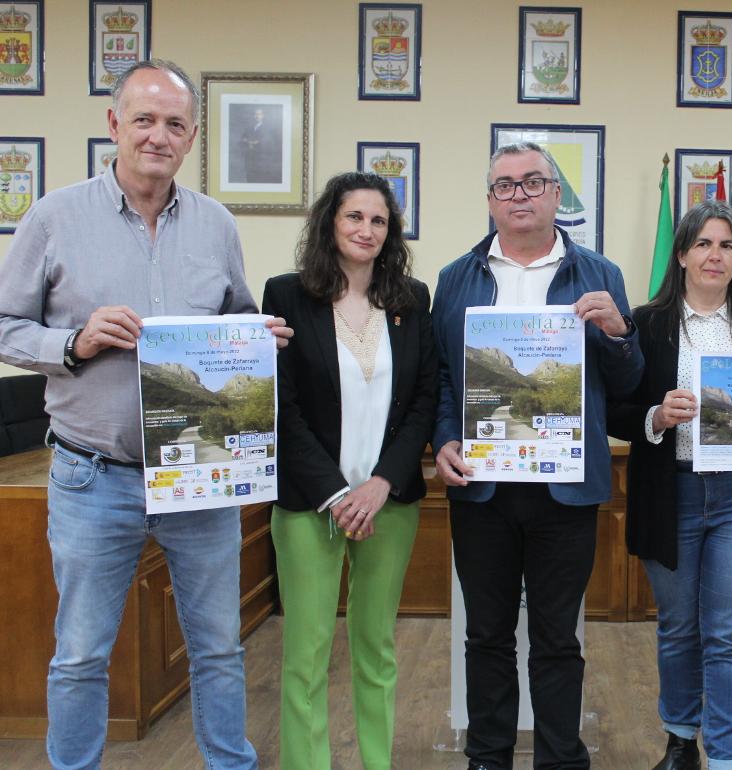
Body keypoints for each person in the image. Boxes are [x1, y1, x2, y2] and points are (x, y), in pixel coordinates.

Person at [0, 60, 291, 770]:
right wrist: (73, 341)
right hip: (93, 478)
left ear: (191, 137)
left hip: (200, 481)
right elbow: (6, 325)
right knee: (80, 655)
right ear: (114, 126)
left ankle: (229, 762)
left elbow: (233, 323)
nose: (158, 136)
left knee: (219, 647)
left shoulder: (217, 225)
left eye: (173, 124)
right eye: (143, 119)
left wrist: (258, 339)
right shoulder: (54, 217)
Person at [431, 141, 643, 770]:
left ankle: (560, 759)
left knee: (557, 639)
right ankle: (488, 757)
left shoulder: (601, 275)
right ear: (490, 200)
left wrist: (619, 334)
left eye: (532, 182)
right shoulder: (456, 278)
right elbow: (442, 378)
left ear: (556, 194)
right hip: (482, 488)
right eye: (504, 185)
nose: (518, 194)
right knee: (486, 636)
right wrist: (443, 437)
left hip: (565, 490)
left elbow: (630, 385)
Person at [606, 200, 732, 770]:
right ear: (683, 254)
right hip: (672, 494)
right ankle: (679, 742)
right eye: (703, 244)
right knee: (677, 628)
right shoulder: (646, 323)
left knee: (728, 633)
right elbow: (613, 410)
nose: (715, 256)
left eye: (726, 245)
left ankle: (725, 758)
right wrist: (657, 415)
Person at [261, 171, 438, 770]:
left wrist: (381, 482)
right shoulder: (286, 295)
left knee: (376, 647)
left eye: (379, 220)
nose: (366, 229)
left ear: (391, 233)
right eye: (354, 216)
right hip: (313, 504)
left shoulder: (411, 300)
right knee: (306, 655)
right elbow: (280, 407)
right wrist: (338, 493)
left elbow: (423, 400)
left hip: (390, 501)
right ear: (329, 222)